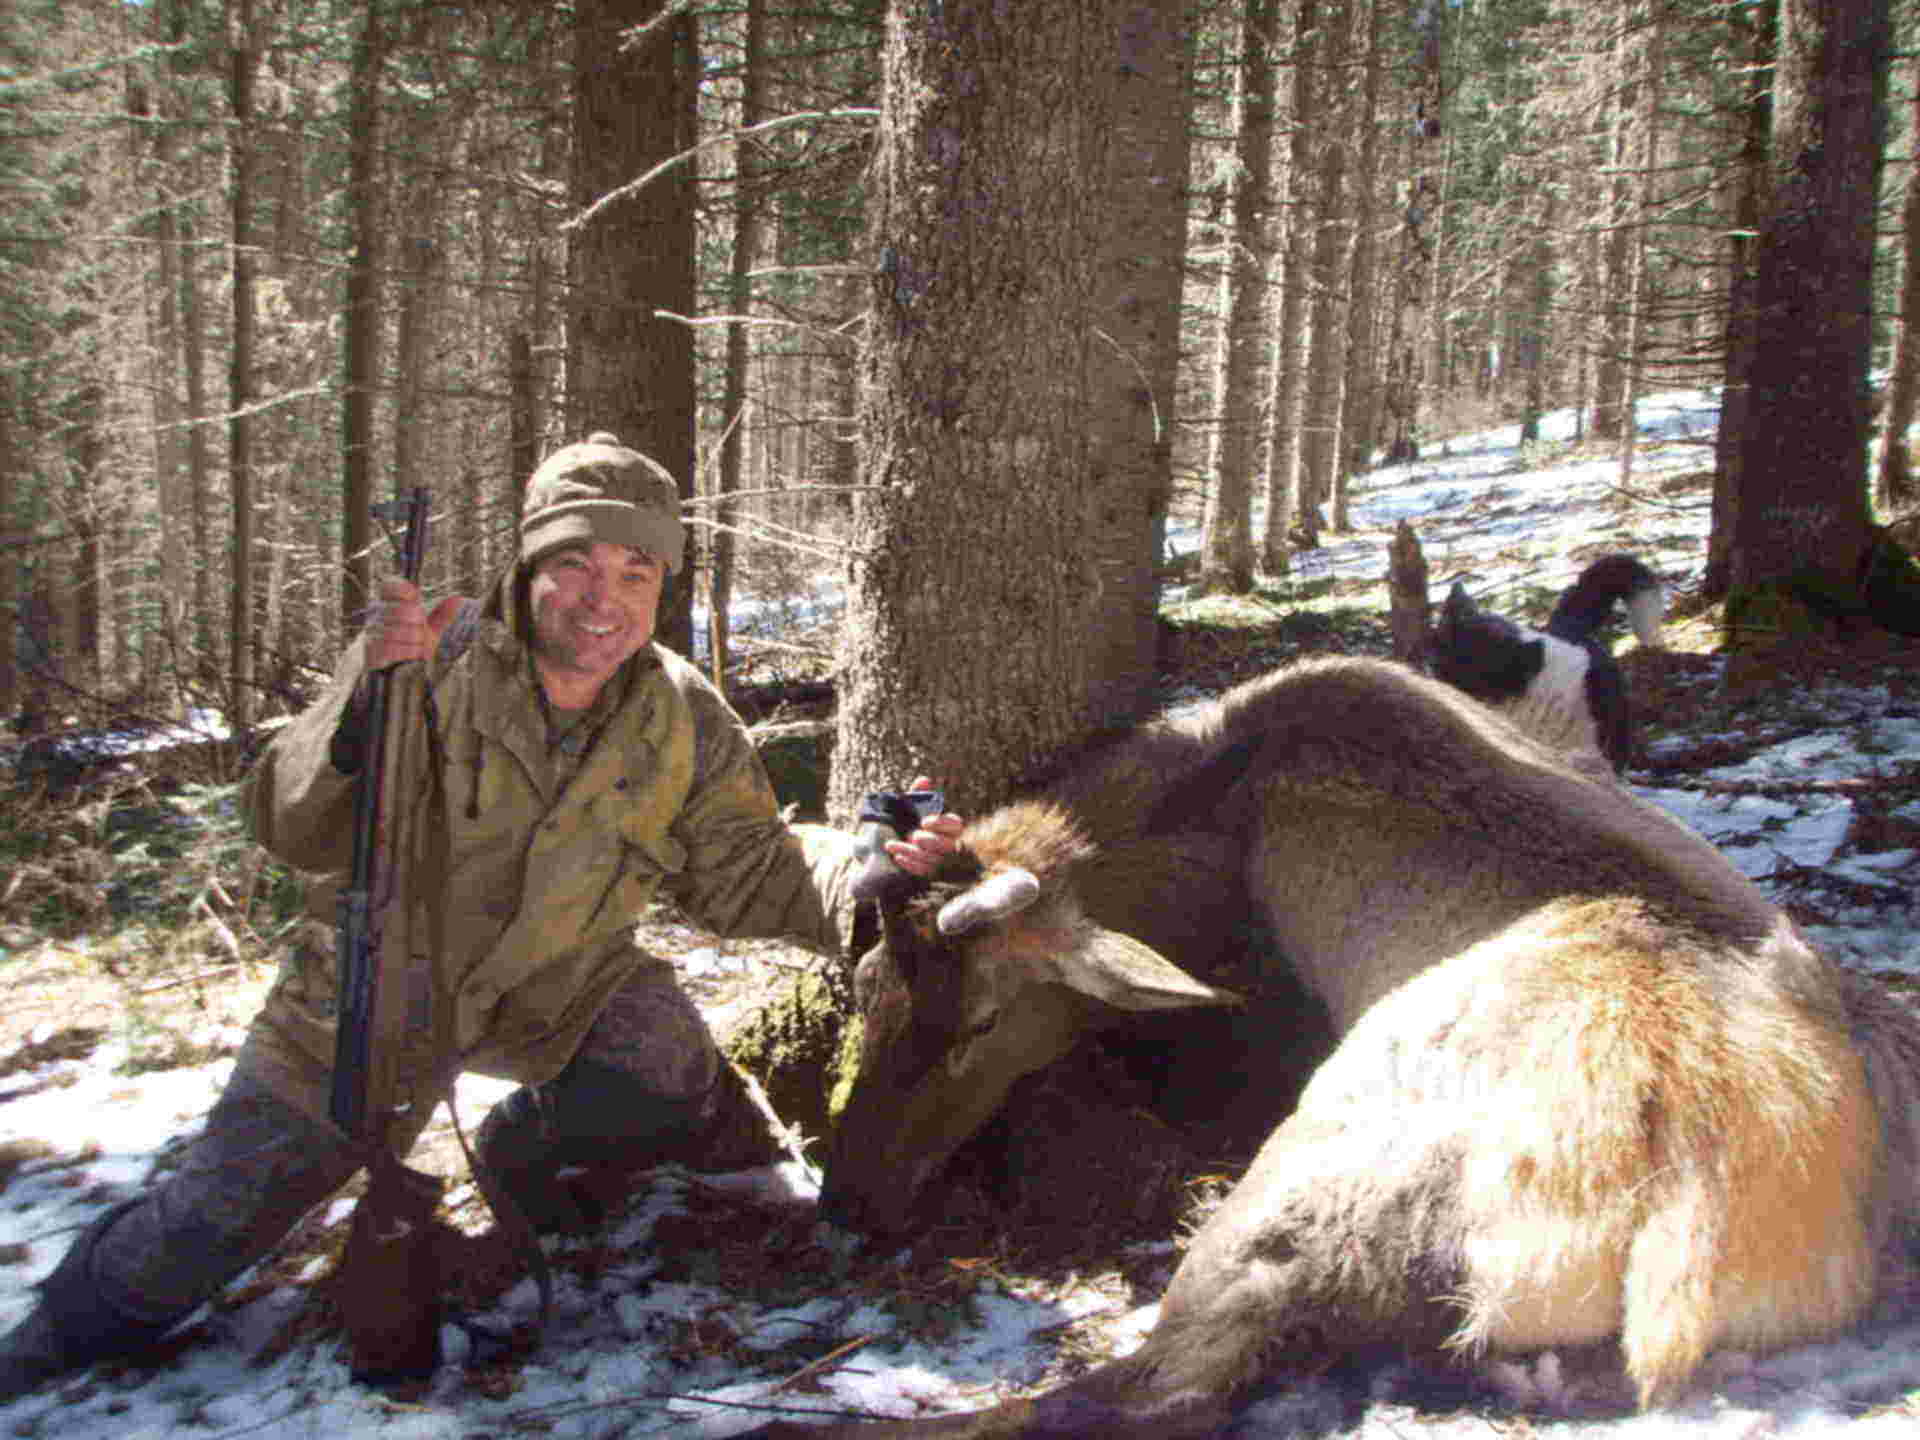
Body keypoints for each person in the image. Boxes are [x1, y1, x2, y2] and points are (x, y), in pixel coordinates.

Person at [0, 432, 962, 1401]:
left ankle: (518, 1157)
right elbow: (288, 824)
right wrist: (354, 714)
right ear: (530, 562)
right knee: (201, 1231)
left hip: (556, 990)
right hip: (365, 1006)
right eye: (577, 563)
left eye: (636, 571)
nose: (604, 598)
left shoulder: (680, 709)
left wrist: (866, 873)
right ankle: (42, 1345)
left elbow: (746, 863)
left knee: (663, 1063)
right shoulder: (430, 655)